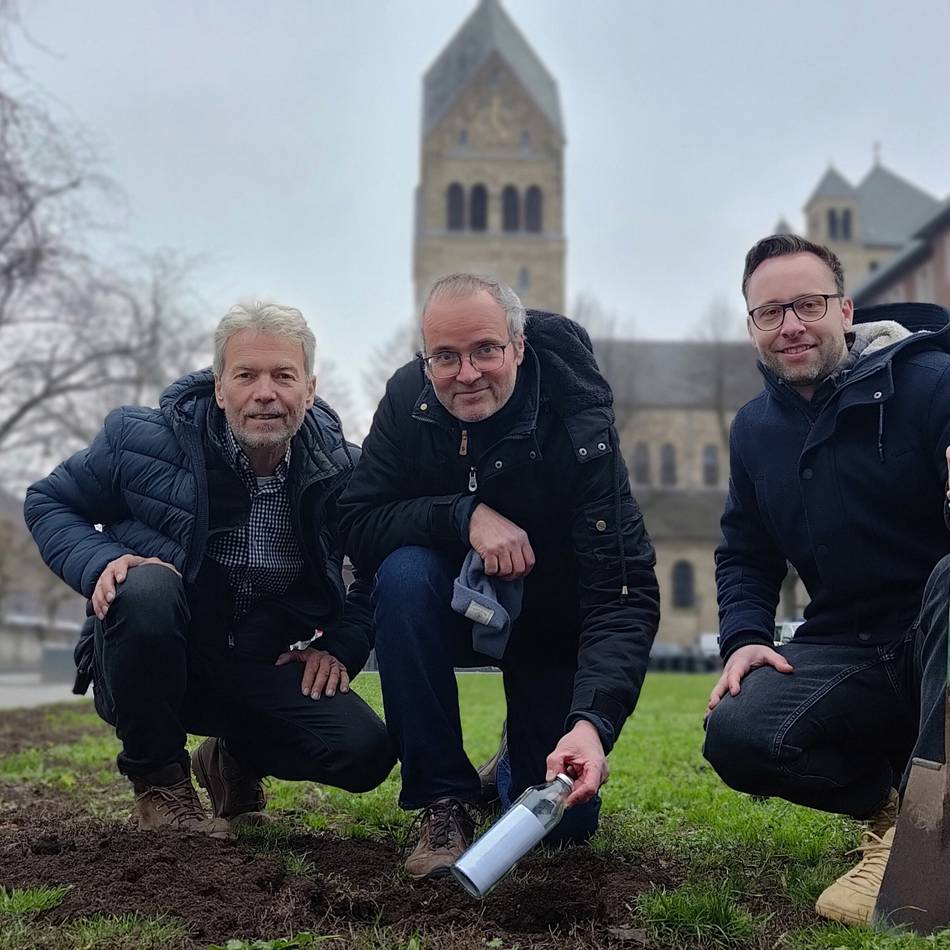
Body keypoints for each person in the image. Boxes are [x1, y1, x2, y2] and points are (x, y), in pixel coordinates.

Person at [24, 302, 395, 837]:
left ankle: (230, 758)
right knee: (146, 586)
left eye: (283, 376)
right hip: (150, 659)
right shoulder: (139, 439)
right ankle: (160, 785)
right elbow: (49, 501)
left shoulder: (343, 472)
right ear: (219, 387)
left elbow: (377, 568)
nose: (264, 393)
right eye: (245, 375)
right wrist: (101, 561)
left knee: (365, 752)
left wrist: (342, 645)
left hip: (258, 664)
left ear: (310, 389)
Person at [338, 273, 660, 878]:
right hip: (447, 607)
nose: (466, 374)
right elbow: (357, 522)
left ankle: (516, 757)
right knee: (404, 574)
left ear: (518, 345)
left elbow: (623, 589)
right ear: (425, 358)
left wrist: (592, 723)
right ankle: (443, 799)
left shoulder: (578, 419)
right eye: (445, 356)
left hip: (547, 618)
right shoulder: (407, 400)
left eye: (485, 350)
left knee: (561, 828)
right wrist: (464, 516)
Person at [703, 234, 950, 925]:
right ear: (752, 328)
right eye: (770, 312)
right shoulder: (755, 429)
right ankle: (892, 809)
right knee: (736, 733)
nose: (790, 325)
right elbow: (744, 551)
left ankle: (925, 843)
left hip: (941, 638)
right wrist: (744, 638)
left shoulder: (933, 383)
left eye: (808, 305)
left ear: (845, 310)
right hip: (852, 647)